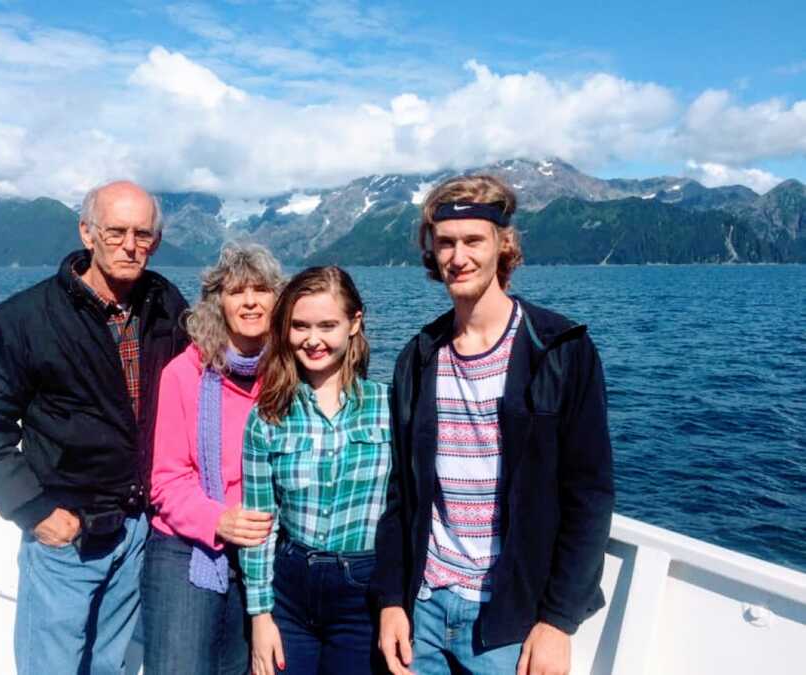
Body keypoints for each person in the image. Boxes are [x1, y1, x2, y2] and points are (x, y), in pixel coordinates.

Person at [372, 174, 614, 675]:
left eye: (472, 241)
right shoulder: (418, 358)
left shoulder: (560, 350)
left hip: (510, 623)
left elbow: (589, 495)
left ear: (503, 244)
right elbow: (403, 494)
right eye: (445, 242)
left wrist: (557, 622)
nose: (458, 256)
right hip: (426, 610)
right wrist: (392, 599)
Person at [0, 180, 189, 675]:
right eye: (117, 231)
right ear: (87, 233)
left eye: (143, 234)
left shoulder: (166, 305)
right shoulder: (22, 320)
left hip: (136, 526)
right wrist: (33, 510)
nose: (131, 245)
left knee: (109, 665)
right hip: (66, 534)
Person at [241, 266, 391, 675]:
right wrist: (260, 616)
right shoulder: (267, 417)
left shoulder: (391, 407)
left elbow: (407, 513)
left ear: (354, 323)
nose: (313, 339)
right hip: (290, 589)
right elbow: (260, 524)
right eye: (300, 326)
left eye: (327, 325)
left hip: (364, 593)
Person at [142, 243, 284, 675]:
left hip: (266, 550)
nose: (250, 302)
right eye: (237, 291)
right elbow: (166, 480)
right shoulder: (184, 373)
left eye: (261, 289)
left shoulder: (288, 372)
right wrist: (217, 520)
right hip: (188, 547)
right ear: (217, 302)